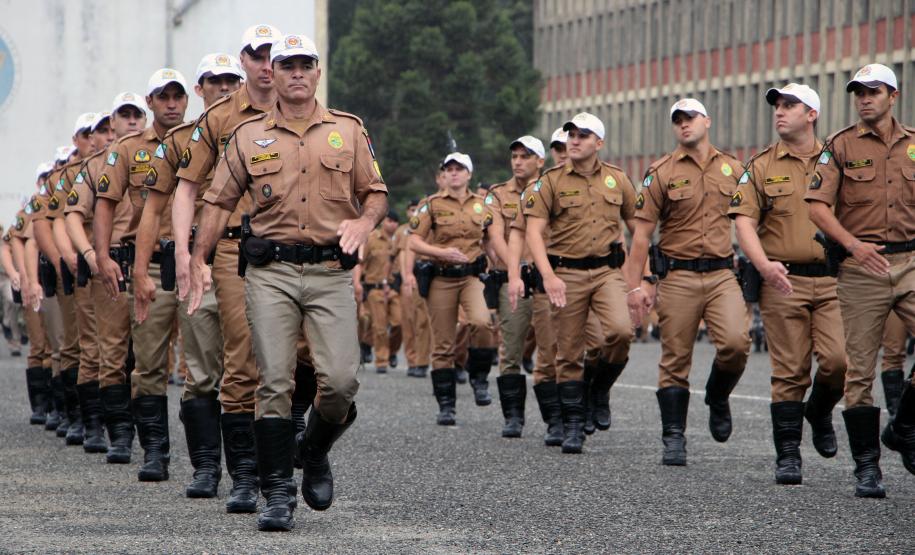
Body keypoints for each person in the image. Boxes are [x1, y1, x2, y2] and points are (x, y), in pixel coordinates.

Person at [187, 33, 387, 531]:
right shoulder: (248, 136)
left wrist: (364, 223)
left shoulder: (348, 130)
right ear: (270, 75)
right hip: (270, 272)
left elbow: (376, 193)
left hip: (329, 273)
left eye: (305, 65)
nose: (296, 73)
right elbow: (215, 201)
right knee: (272, 380)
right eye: (286, 65)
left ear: (318, 72)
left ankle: (314, 450)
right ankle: (278, 494)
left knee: (340, 382)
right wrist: (198, 258)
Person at [171, 25, 282, 513]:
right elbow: (186, 188)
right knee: (239, 360)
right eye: (254, 56)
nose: (264, 64)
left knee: (302, 364)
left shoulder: (308, 115)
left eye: (271, 56)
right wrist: (184, 255)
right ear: (245, 62)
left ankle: (296, 457)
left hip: (294, 252)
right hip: (235, 250)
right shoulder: (219, 119)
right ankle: (243, 474)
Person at [806, 63, 915, 497]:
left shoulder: (913, 145)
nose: (864, 98)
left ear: (893, 95)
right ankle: (867, 467)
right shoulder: (840, 146)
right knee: (859, 373)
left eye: (872, 91)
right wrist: (852, 245)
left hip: (909, 261)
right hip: (861, 269)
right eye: (858, 92)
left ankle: (903, 425)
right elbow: (816, 206)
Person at [730, 83, 846, 484]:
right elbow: (743, 221)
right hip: (784, 281)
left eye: (790, 105)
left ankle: (819, 410)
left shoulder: (838, 159)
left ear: (811, 114)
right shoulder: (761, 166)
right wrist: (763, 266)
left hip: (835, 280)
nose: (780, 111)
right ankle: (789, 455)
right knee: (790, 371)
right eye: (777, 105)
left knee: (837, 364)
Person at [628, 98, 750, 466]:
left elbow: (754, 219)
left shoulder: (734, 168)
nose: (684, 125)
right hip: (678, 275)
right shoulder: (660, 172)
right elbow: (640, 236)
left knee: (736, 344)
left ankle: (717, 394)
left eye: (690, 118)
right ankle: (674, 437)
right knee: (674, 360)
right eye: (677, 120)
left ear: (707, 121)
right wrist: (637, 285)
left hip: (721, 274)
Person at [94, 69, 190, 482]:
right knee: (147, 362)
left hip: (190, 261)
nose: (171, 103)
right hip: (148, 263)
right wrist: (102, 255)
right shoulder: (128, 149)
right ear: (151, 103)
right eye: (162, 96)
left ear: (188, 100)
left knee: (205, 365)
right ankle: (155, 451)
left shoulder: (201, 140)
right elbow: (106, 201)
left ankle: (210, 463)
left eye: (177, 96)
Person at [522, 113, 637, 454]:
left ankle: (599, 390)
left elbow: (638, 227)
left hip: (606, 272)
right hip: (566, 273)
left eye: (584, 135)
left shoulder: (618, 180)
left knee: (619, 333)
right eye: (572, 134)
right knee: (568, 352)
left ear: (598, 143)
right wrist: (549, 276)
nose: (574, 140)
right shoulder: (551, 181)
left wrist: (640, 279)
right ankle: (574, 425)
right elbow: (533, 232)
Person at [68, 93, 145, 464]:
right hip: (110, 264)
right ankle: (116, 433)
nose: (131, 122)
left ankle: (151, 437)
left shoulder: (161, 156)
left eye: (137, 115)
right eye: (124, 115)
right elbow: (71, 215)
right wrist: (88, 255)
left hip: (151, 264)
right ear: (111, 123)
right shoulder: (96, 165)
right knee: (109, 352)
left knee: (146, 355)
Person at [409, 153, 497, 425]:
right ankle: (446, 405)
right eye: (449, 169)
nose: (454, 173)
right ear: (444, 175)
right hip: (441, 278)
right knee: (444, 344)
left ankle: (479, 378)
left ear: (469, 174)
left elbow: (491, 242)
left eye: (459, 169)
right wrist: (441, 252)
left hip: (471, 276)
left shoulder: (483, 205)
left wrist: (502, 268)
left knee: (482, 323)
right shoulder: (430, 205)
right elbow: (414, 242)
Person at [485, 135, 544, 437]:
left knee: (558, 349)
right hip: (513, 281)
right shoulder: (497, 195)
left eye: (526, 156)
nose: (518, 161)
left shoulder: (551, 189)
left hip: (548, 280)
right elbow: (496, 235)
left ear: (540, 161)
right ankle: (513, 417)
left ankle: (557, 419)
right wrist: (515, 271)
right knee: (510, 351)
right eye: (515, 157)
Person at [353, 211, 402, 374]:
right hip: (375, 288)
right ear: (383, 222)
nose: (392, 224)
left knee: (398, 323)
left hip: (394, 288)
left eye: (396, 221)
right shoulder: (372, 238)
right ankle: (381, 361)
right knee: (380, 326)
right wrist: (357, 283)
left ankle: (391, 351)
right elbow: (360, 263)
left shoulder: (400, 238)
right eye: (389, 220)